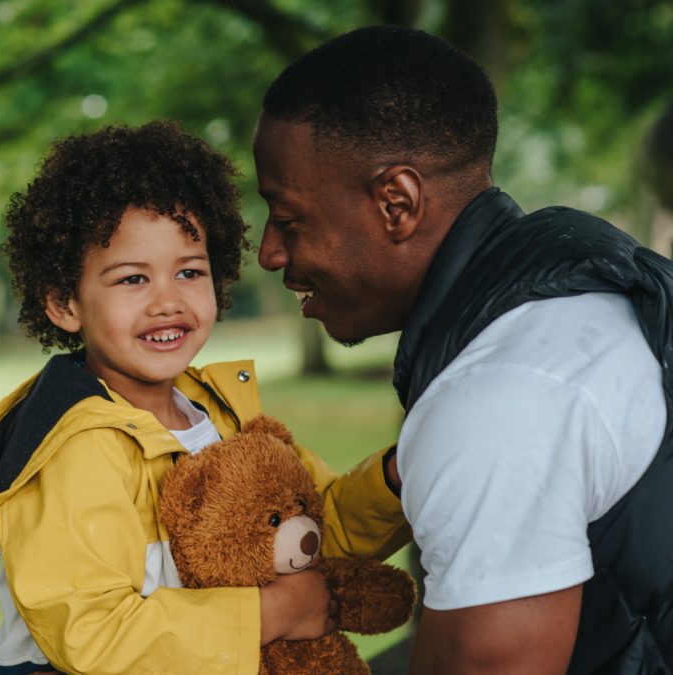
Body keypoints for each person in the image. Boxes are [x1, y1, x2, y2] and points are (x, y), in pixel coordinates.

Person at [253, 24, 673, 674]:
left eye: (288, 219)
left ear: (397, 203)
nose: (269, 253)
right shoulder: (575, 275)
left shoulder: (497, 398)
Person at [0, 120, 410, 674]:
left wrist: (397, 479)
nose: (168, 301)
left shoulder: (219, 412)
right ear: (65, 304)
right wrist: (269, 614)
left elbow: (309, 528)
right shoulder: (72, 450)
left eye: (189, 271)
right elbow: (92, 633)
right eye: (132, 280)